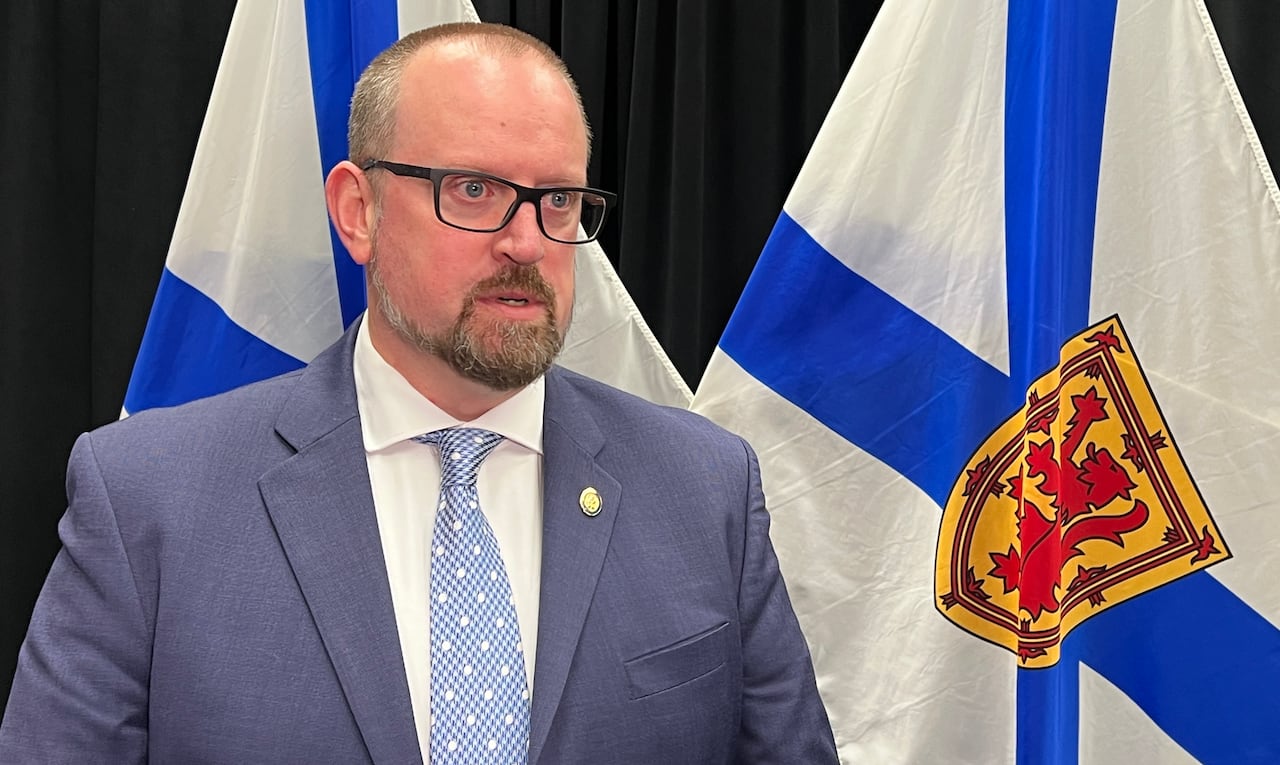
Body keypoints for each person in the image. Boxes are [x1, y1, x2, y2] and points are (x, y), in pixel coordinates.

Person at [0, 22, 838, 764]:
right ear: (357, 212)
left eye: (558, 199)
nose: (525, 241)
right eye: (473, 190)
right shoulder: (149, 498)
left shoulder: (706, 487)